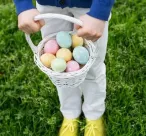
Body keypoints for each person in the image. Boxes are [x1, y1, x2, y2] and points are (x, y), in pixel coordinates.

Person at [13, 0, 115, 136]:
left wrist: (99, 11)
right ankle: (70, 112)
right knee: (60, 71)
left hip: (90, 7)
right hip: (48, 5)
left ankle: (94, 113)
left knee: (92, 66)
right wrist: (23, 5)